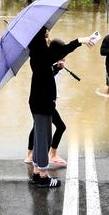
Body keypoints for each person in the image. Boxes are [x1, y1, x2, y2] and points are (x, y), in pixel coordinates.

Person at [28, 27, 94, 188]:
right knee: (44, 140)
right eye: (45, 36)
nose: (47, 39)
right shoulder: (43, 54)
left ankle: (36, 173)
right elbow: (64, 49)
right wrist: (81, 40)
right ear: (39, 39)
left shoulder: (36, 55)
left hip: (37, 102)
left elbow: (45, 74)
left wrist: (56, 68)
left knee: (39, 137)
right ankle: (43, 177)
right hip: (43, 103)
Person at [24, 39, 69, 167]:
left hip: (44, 101)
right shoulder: (46, 62)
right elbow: (47, 77)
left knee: (36, 127)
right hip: (44, 102)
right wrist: (57, 67)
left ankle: (30, 155)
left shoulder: (47, 60)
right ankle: (51, 155)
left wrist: (58, 66)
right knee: (61, 126)